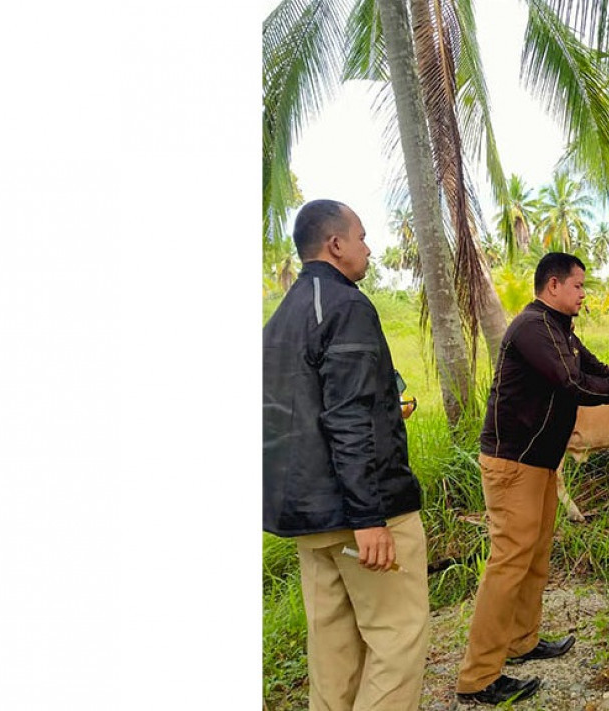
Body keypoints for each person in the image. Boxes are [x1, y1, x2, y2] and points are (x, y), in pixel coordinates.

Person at [455, 252, 609, 705]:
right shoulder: (532, 329)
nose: (584, 294)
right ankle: (478, 677)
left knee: (534, 556)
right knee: (508, 564)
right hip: (514, 462)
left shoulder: (559, 330)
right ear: (554, 285)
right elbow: (576, 386)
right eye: (579, 286)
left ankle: (522, 642)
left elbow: (599, 371)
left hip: (539, 461)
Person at [263, 199, 429, 711]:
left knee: (333, 651)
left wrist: (384, 408)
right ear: (336, 244)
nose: (368, 247)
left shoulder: (283, 316)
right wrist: (369, 516)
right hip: (359, 512)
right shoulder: (347, 306)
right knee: (398, 639)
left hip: (308, 519)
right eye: (361, 236)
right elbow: (348, 416)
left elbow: (299, 413)